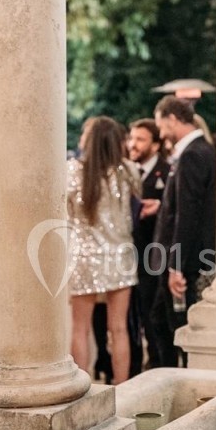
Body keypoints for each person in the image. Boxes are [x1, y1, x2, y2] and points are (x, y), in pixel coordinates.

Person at [67, 117, 140, 383]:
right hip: (120, 255)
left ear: (90, 139)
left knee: (80, 329)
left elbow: (64, 211)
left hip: (85, 255)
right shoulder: (128, 171)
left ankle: (80, 390)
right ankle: (122, 389)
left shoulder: (74, 171)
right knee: (118, 329)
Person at [148, 96, 216, 368]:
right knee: (163, 320)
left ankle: (176, 379)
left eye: (161, 126)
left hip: (185, 261)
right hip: (187, 257)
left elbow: (188, 215)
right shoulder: (203, 150)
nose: (161, 133)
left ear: (172, 119)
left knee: (175, 326)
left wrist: (175, 267)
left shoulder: (191, 155)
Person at [126, 118, 168, 372]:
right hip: (127, 257)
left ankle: (157, 366)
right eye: (132, 138)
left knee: (154, 318)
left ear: (155, 145)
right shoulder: (126, 173)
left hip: (154, 257)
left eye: (140, 139)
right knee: (132, 319)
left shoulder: (166, 171)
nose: (133, 144)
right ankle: (132, 369)